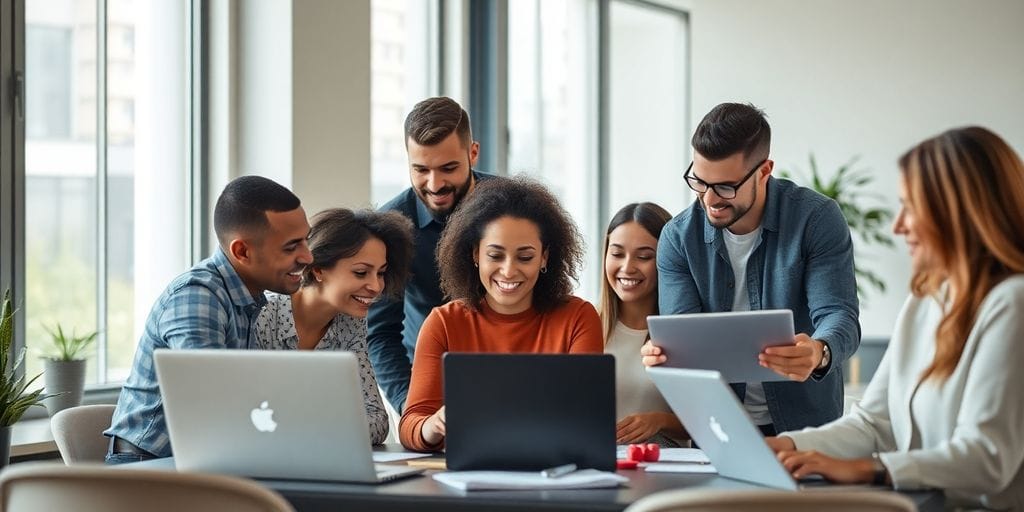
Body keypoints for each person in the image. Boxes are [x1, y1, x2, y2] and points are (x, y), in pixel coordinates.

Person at [766, 126, 1024, 508]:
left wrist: (873, 469)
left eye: (911, 207)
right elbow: (873, 423)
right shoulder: (925, 301)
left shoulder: (1012, 302)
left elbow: (987, 457)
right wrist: (786, 445)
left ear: (958, 212)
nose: (898, 225)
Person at [642, 103, 861, 435]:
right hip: (719, 428)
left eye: (726, 187)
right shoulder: (678, 238)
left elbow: (838, 314)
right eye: (699, 182)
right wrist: (667, 354)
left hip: (805, 429)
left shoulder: (816, 219)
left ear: (764, 170)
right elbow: (685, 339)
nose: (710, 199)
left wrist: (820, 351)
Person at [105, 176, 313, 463]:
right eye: (291, 247)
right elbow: (209, 406)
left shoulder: (246, 298)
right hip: (146, 467)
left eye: (306, 240)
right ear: (242, 251)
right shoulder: (198, 296)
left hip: (196, 461)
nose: (308, 256)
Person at [399, 176, 603, 452]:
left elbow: (586, 419)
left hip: (552, 475)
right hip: (466, 478)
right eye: (495, 256)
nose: (508, 271)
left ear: (544, 257)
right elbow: (412, 424)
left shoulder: (578, 317)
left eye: (525, 257)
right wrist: (434, 424)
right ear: (475, 254)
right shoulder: (444, 322)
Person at [367, 96, 499, 414]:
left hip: (517, 380)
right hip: (435, 392)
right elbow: (381, 333)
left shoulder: (513, 207)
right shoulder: (391, 226)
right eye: (421, 169)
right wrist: (412, 408)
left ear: (473, 152)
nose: (435, 183)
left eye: (448, 168)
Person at [254, 208, 414, 445]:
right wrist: (329, 423)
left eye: (381, 273)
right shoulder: (264, 313)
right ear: (318, 269)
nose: (376, 286)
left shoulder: (352, 322)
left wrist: (308, 427)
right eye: (361, 272)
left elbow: (378, 421)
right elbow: (249, 414)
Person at [599, 202, 686, 446]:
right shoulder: (585, 325)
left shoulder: (680, 333)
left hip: (663, 464)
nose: (627, 267)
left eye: (645, 256)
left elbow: (703, 423)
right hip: (596, 463)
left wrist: (658, 420)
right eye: (617, 254)